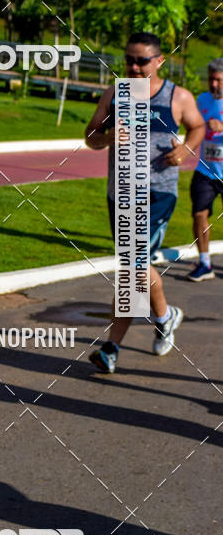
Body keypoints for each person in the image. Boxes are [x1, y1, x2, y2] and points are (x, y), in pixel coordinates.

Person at [84, 31, 205, 374]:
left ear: (160, 61)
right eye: (129, 60)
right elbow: (90, 136)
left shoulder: (177, 96)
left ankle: (111, 347)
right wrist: (106, 137)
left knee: (133, 267)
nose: (134, 67)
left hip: (159, 192)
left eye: (142, 61)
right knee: (134, 267)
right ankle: (166, 317)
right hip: (120, 192)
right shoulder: (115, 93)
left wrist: (186, 148)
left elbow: (196, 128)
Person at [186, 57, 223, 281]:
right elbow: (194, 127)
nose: (214, 84)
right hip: (206, 171)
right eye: (211, 79)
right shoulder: (201, 100)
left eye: (219, 80)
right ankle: (205, 263)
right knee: (199, 214)